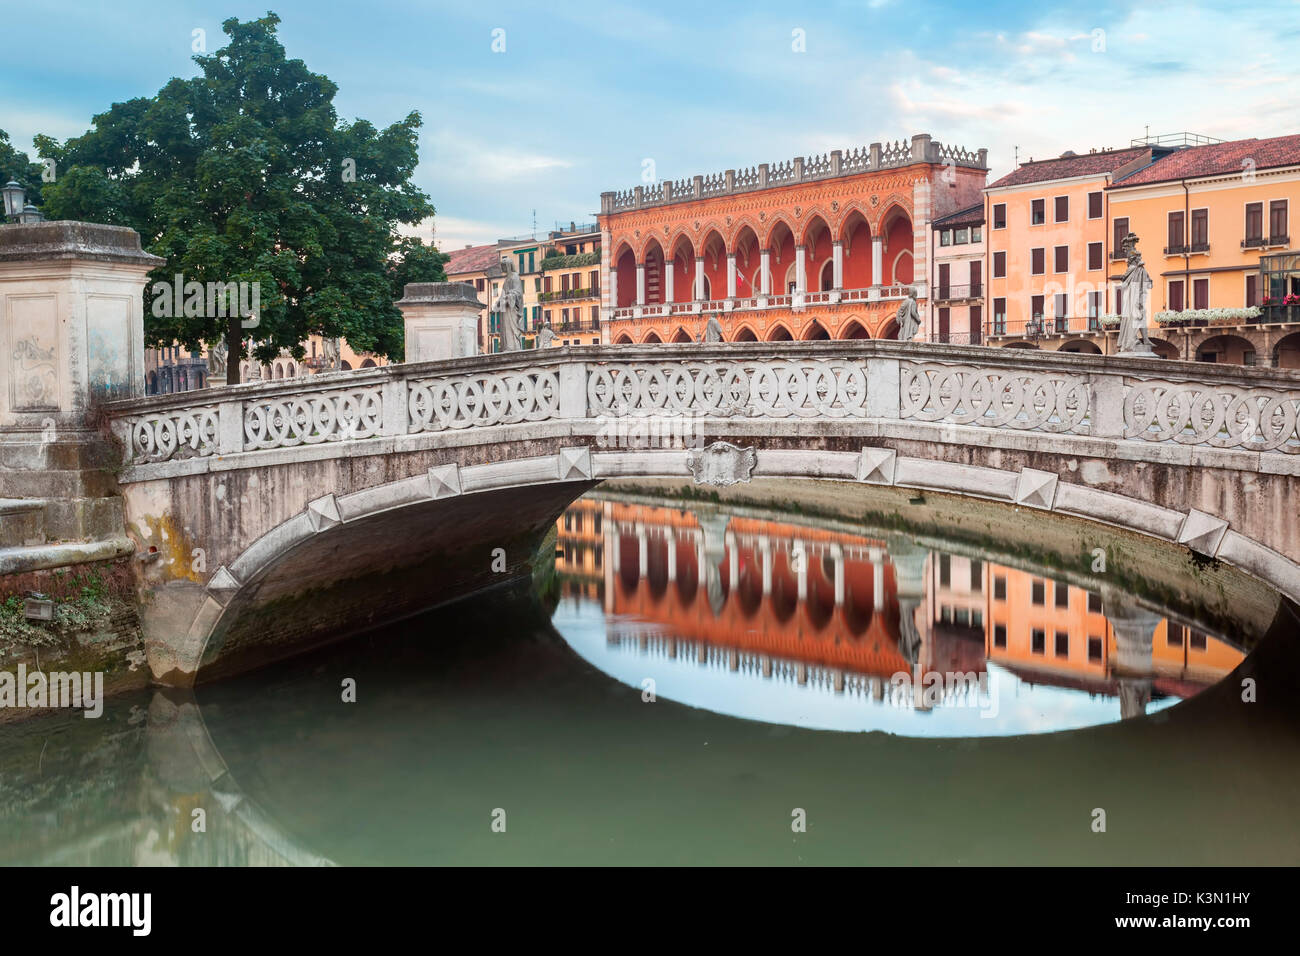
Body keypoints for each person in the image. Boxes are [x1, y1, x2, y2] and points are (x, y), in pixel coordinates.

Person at [1116, 233, 1154, 354]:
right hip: (1135, 300)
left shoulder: (1136, 270)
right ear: (1135, 259)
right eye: (1138, 257)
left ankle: (1145, 340)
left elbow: (1147, 283)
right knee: (1138, 317)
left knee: (1140, 317)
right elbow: (1147, 284)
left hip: (1136, 299)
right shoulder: (1137, 270)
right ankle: (1134, 340)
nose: (1139, 259)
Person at [493, 260, 527, 351]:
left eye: (504, 266)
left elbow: (518, 292)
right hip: (505, 308)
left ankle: (513, 347)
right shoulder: (506, 279)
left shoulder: (515, 277)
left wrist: (510, 296)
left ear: (508, 266)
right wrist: (499, 301)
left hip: (511, 308)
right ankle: (507, 347)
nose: (502, 268)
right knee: (506, 328)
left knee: (512, 328)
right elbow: (503, 294)